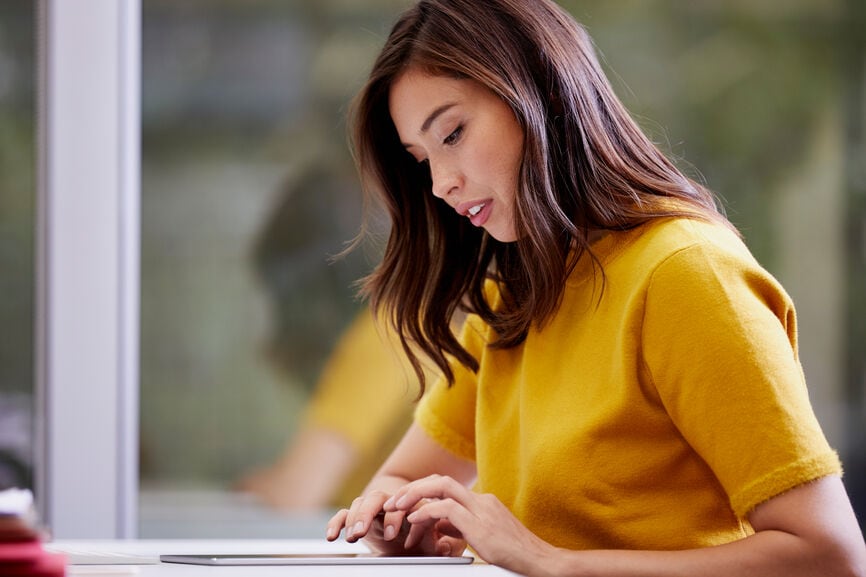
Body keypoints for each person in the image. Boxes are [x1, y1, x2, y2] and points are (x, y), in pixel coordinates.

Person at [325, 0, 866, 575]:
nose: (440, 184)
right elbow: (402, 477)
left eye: (453, 133)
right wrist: (398, 518)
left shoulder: (685, 275)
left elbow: (830, 554)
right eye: (421, 159)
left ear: (546, 94)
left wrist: (555, 563)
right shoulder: (514, 295)